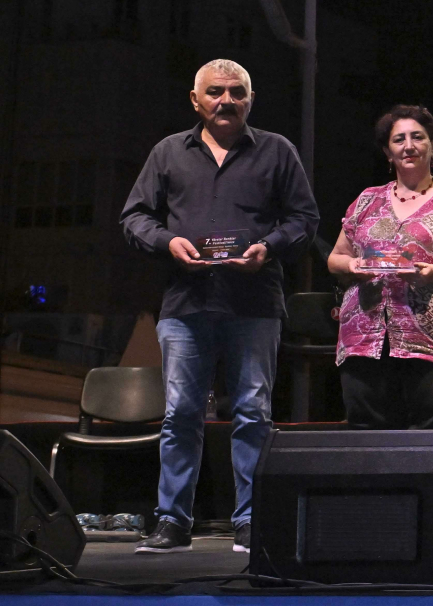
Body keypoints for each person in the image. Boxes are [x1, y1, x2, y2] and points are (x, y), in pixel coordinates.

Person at [120, 59, 320, 555]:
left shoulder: (277, 151)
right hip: (185, 302)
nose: (226, 100)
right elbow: (135, 216)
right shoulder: (168, 152)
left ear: (250, 100)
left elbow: (304, 218)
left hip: (254, 303)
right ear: (196, 100)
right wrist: (167, 242)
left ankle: (251, 520)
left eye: (236, 92)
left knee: (253, 412)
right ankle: (173, 522)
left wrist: (268, 247)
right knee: (180, 415)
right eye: (215, 92)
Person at [326, 105, 433, 431]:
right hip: (365, 337)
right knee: (366, 429)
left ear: (432, 145)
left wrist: (432, 273)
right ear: (387, 151)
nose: (408, 146)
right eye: (399, 140)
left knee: (430, 432)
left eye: (417, 137)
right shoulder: (367, 200)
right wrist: (353, 264)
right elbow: (336, 257)